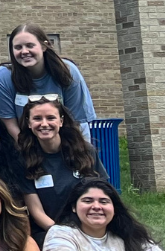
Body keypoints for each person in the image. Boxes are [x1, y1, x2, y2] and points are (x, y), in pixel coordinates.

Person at [16, 99, 106, 239]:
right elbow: (36, 211)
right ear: (29, 123)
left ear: (61, 121)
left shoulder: (85, 152)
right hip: (50, 232)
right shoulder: (24, 159)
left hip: (90, 229)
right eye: (37, 118)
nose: (44, 124)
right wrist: (62, 234)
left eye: (51, 118)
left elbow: (103, 193)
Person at [0, 24, 96, 137]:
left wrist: (63, 150)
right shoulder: (3, 77)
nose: (24, 51)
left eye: (30, 45)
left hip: (67, 137)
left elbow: (77, 120)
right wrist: (28, 151)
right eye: (18, 47)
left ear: (44, 46)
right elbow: (9, 123)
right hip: (23, 142)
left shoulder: (68, 71)